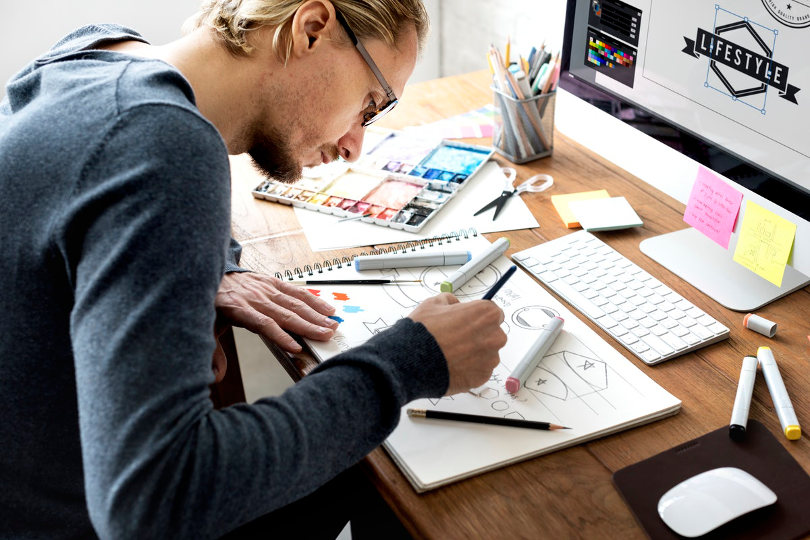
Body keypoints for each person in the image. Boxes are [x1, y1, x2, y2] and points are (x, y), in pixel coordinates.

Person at [0, 0, 508, 538]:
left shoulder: (96, 53)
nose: (355, 144)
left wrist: (208, 267)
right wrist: (411, 362)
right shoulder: (162, 143)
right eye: (370, 104)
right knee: (387, 471)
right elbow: (152, 507)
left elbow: (88, 202)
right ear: (312, 29)